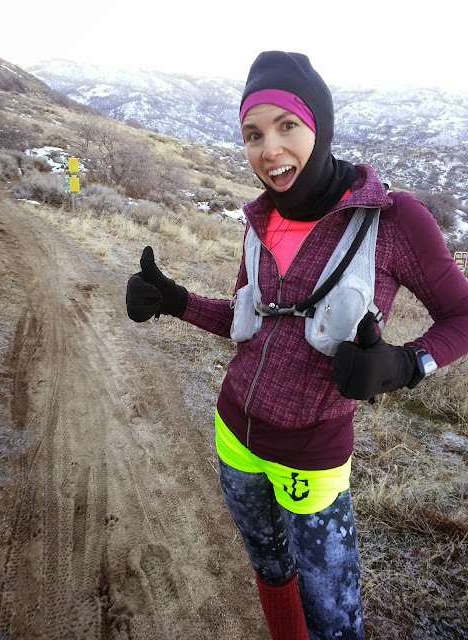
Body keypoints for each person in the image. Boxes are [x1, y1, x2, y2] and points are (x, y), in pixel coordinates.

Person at [125, 51, 468, 640]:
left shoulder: (390, 221)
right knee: (270, 570)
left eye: (287, 126)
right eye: (253, 134)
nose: (270, 150)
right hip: (234, 439)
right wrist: (176, 301)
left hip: (312, 456)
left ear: (320, 125)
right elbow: (249, 322)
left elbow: (461, 315)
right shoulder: (259, 221)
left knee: (332, 614)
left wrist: (406, 364)